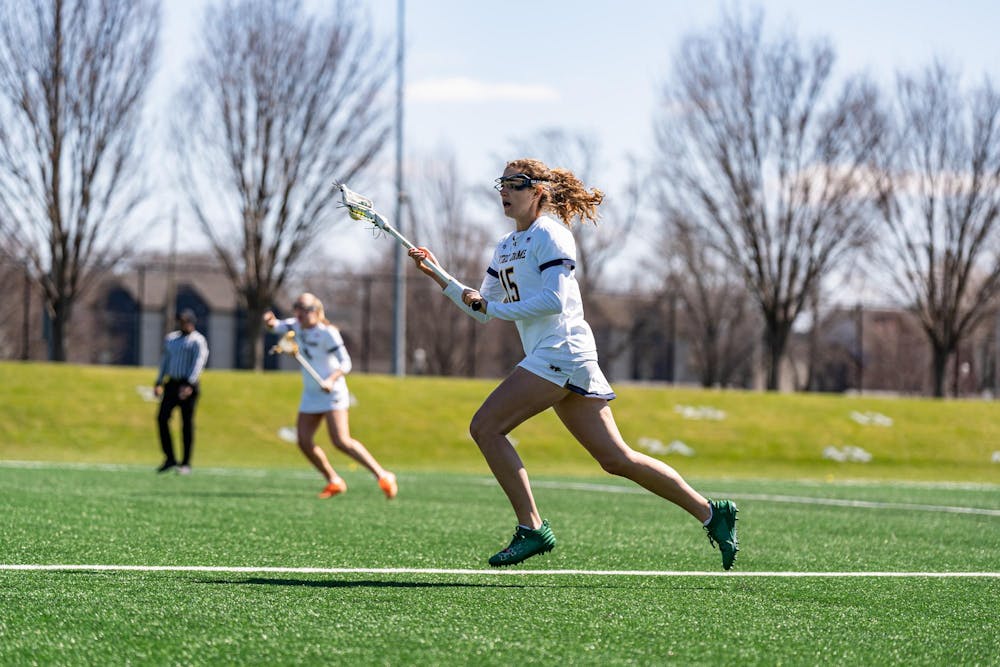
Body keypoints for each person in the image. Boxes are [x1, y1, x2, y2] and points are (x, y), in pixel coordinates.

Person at [408, 158, 740, 569]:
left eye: (516, 183)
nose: (505, 191)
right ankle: (712, 513)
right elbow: (481, 308)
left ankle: (531, 528)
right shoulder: (506, 245)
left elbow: (553, 300)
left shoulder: (551, 234)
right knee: (616, 459)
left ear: (539, 192)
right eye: (503, 182)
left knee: (485, 427)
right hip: (559, 356)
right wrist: (437, 274)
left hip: (560, 350)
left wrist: (491, 304)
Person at [263, 292, 397, 500]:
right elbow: (275, 327)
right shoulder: (295, 325)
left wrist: (332, 379)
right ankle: (334, 480)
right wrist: (269, 321)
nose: (299, 313)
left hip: (332, 392)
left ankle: (383, 475)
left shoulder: (328, 333)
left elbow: (346, 363)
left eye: (304, 309)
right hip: (311, 393)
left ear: (316, 311)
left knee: (341, 441)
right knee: (304, 441)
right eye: (296, 308)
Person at [154, 309, 210, 474]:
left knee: (187, 424)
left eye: (187, 321)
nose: (184, 324)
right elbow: (165, 360)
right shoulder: (171, 339)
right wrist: (158, 382)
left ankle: (185, 463)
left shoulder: (198, 341)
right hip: (172, 384)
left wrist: (190, 384)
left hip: (187, 386)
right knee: (162, 418)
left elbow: (199, 362)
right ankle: (170, 457)